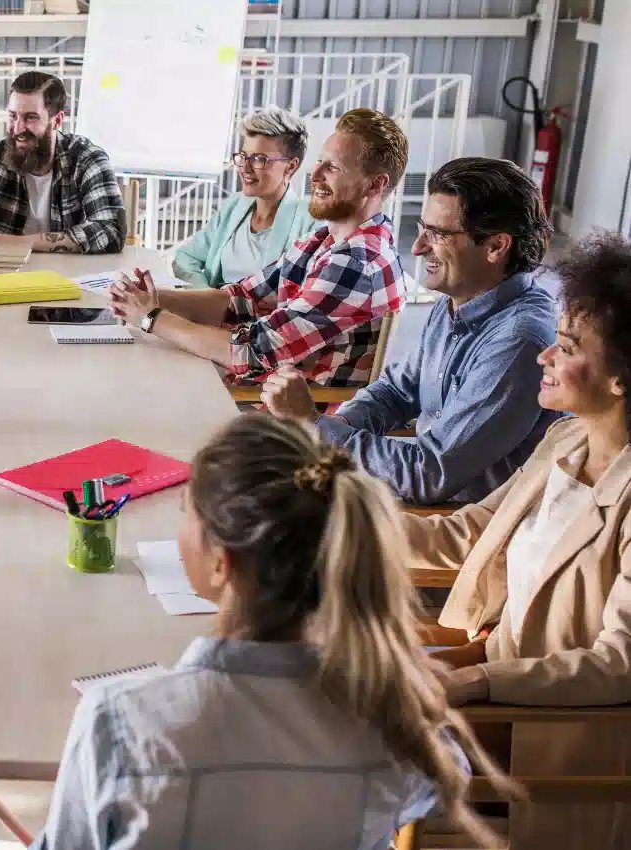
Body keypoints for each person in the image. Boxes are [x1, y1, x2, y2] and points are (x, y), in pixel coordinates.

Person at [33, 414, 515, 850]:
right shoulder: (395, 727)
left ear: (221, 564)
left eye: (186, 515)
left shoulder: (119, 722)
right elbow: (440, 771)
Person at [410, 233, 631, 848]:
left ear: (621, 378)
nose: (543, 358)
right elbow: (471, 531)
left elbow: (621, 664)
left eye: (564, 348)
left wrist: (475, 681)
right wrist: (336, 520)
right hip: (490, 678)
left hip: (542, 734)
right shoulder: (567, 440)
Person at [263, 157, 560, 505]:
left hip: (464, 525)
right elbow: (395, 393)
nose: (418, 247)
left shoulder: (519, 341)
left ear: (496, 246)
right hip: (427, 499)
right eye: (423, 228)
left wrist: (314, 426)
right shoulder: (457, 301)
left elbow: (427, 474)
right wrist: (324, 433)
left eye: (439, 234)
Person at [109, 108, 408, 387]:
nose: (315, 175)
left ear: (374, 185)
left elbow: (251, 351)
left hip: (297, 424)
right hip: (264, 395)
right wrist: (145, 299)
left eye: (333, 167)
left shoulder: (356, 262)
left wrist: (152, 318)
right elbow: (241, 299)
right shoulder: (325, 240)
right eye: (319, 162)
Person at [0, 71, 126, 270]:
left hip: (69, 276)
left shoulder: (87, 158)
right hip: (3, 273)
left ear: (57, 120)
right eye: (12, 116)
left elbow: (111, 229)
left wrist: (21, 242)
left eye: (30, 118)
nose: (18, 128)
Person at [172, 107, 318, 287]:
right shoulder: (234, 206)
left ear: (291, 166)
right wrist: (206, 295)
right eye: (243, 156)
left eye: (259, 159)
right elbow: (184, 257)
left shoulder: (310, 222)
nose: (245, 168)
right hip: (212, 311)